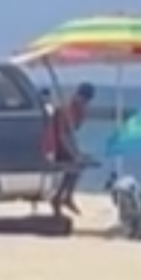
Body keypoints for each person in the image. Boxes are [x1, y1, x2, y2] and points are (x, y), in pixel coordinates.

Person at [45, 83, 95, 218]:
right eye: (83, 100)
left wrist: (82, 115)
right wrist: (74, 155)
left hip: (64, 146)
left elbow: (73, 131)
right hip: (55, 149)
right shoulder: (65, 110)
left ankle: (64, 196)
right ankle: (61, 198)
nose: (84, 103)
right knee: (76, 165)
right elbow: (61, 137)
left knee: (79, 165)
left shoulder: (76, 111)